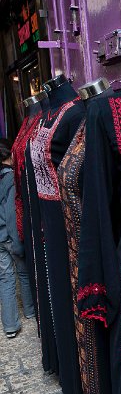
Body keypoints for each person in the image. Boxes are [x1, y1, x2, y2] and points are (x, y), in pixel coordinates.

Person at [0, 137, 35, 338]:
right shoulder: (10, 179)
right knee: (23, 273)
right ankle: (30, 311)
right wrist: (17, 242)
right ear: (8, 155)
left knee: (5, 279)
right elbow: (12, 213)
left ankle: (10, 326)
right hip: (9, 236)